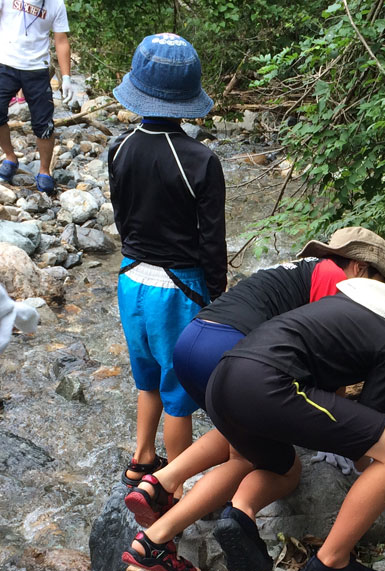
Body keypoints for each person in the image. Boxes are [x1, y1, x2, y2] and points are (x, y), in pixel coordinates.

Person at [121, 263, 385, 571]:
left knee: (285, 470)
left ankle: (199, 526)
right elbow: (369, 444)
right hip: (268, 385)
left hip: (225, 380)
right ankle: (331, 564)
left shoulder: (351, 303)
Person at [125, 227, 385, 571]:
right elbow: (329, 360)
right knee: (262, 463)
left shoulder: (304, 269)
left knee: (239, 433)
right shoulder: (338, 279)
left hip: (194, 339)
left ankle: (158, 484)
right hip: (229, 350)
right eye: (378, 281)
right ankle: (156, 540)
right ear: (360, 267)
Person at [109, 34, 225, 492]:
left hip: (131, 280)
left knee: (147, 375)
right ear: (187, 101)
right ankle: (174, 488)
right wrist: (216, 298)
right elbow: (211, 243)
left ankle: (142, 458)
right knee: (180, 394)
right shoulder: (200, 161)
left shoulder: (118, 147)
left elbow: (122, 218)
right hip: (179, 290)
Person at [0, 0, 73, 193]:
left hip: (37, 68)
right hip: (5, 63)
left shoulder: (56, 4)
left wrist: (67, 77)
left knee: (44, 124)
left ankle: (45, 171)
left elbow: (61, 40)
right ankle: (10, 156)